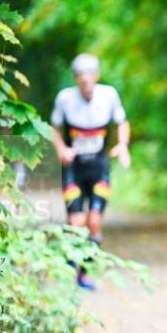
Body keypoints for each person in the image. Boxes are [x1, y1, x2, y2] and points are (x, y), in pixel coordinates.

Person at [51, 53, 131, 290]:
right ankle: (69, 262)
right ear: (75, 78)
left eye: (89, 75)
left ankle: (84, 272)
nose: (85, 80)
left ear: (96, 76)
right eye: (80, 76)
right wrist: (61, 148)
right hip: (73, 170)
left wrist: (123, 144)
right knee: (76, 221)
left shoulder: (108, 95)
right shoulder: (65, 99)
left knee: (94, 221)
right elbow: (54, 128)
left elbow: (122, 122)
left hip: (99, 168)